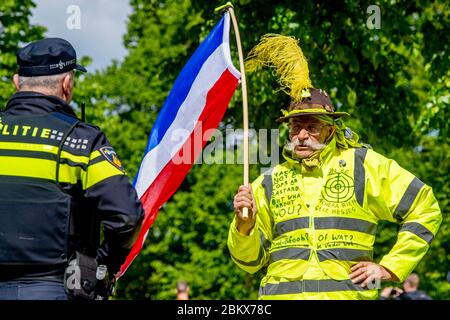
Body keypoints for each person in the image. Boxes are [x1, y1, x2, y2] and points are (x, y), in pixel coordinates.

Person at [227, 34, 442, 300]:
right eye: (296, 127)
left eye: (312, 126)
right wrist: (244, 227)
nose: (302, 135)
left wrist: (390, 268)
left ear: (330, 129)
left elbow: (425, 207)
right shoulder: (268, 182)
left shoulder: (363, 165)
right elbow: (247, 263)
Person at [0, 38, 144, 300]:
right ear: (67, 84)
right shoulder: (82, 141)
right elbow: (127, 218)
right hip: (56, 289)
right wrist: (101, 266)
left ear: (17, 82)